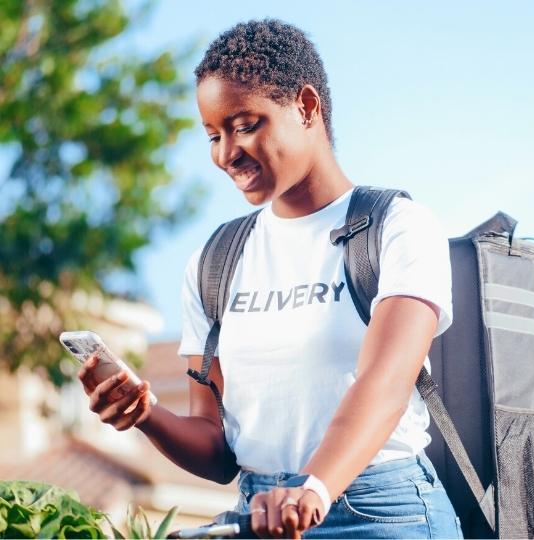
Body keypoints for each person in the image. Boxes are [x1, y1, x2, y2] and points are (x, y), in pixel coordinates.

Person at [78, 18, 461, 539]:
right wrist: (144, 413)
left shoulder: (397, 227)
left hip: (382, 512)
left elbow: (385, 385)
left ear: (306, 107)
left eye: (245, 124)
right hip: (261, 515)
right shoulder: (214, 260)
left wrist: (314, 491)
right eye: (213, 134)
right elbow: (218, 450)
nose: (225, 153)